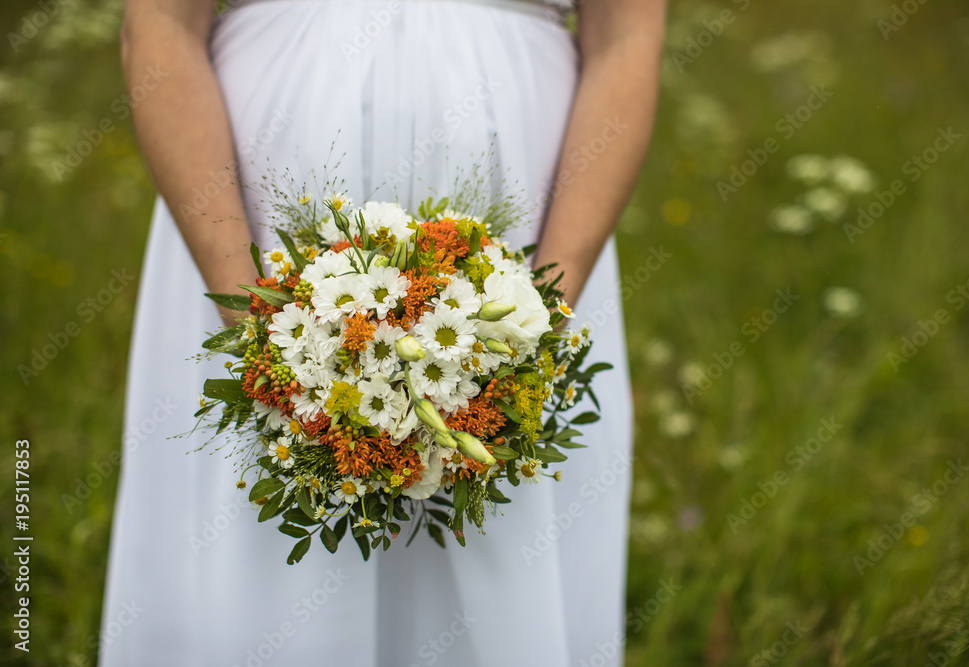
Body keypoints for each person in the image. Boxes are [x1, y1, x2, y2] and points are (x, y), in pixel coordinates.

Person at [100, 0, 664, 664]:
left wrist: (533, 320)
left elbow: (626, 35)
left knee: (497, 539)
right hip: (253, 207)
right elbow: (161, 23)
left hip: (528, 208)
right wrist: (263, 329)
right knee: (259, 550)